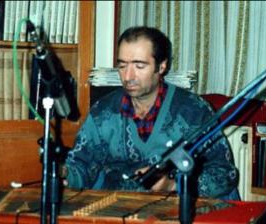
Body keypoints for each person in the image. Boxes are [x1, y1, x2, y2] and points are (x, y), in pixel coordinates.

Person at [65, 26, 239, 200]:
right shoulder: (103, 112)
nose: (128, 76)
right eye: (122, 65)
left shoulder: (192, 111)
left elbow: (225, 174)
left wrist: (173, 185)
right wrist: (65, 173)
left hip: (179, 208)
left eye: (139, 66)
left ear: (161, 66)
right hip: (122, 209)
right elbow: (82, 165)